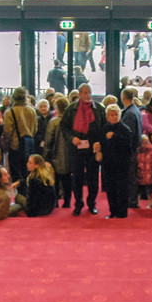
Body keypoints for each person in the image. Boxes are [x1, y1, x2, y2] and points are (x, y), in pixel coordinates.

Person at [60, 83, 106, 217]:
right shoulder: (71, 109)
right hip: (77, 148)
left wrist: (99, 142)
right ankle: (78, 204)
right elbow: (64, 127)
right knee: (77, 178)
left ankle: (92, 203)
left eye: (89, 92)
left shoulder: (99, 109)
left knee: (93, 178)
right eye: (85, 93)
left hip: (93, 148)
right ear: (79, 94)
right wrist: (71, 138)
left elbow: (104, 127)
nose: (88, 95)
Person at [95, 104, 134, 219]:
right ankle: (113, 211)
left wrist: (114, 137)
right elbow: (102, 143)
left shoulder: (125, 129)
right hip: (108, 163)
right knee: (110, 188)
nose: (114, 117)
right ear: (107, 116)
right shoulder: (104, 129)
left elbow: (127, 145)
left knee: (121, 188)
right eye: (111, 115)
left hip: (121, 164)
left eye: (116, 114)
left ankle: (122, 212)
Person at [2, 86, 38, 181]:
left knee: (16, 173)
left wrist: (5, 146)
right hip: (29, 144)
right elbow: (35, 129)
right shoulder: (32, 110)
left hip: (15, 146)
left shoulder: (10, 112)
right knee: (27, 171)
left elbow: (8, 132)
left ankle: (20, 193)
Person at [44, 95, 73, 208]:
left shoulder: (53, 122)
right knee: (67, 180)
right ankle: (67, 201)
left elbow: (49, 140)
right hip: (69, 155)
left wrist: (46, 156)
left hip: (55, 155)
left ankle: (55, 201)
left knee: (55, 180)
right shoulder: (72, 121)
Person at [120, 87, 144, 208]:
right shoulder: (135, 110)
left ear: (123, 97)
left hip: (130, 151)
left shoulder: (129, 114)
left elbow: (128, 135)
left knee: (130, 177)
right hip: (135, 148)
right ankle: (132, 200)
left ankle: (131, 201)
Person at [137, 135, 152, 209]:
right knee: (138, 190)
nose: (145, 145)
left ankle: (151, 202)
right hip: (140, 175)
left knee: (150, 191)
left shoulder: (151, 153)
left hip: (150, 176)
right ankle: (137, 203)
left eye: (146, 142)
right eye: (143, 143)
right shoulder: (138, 153)